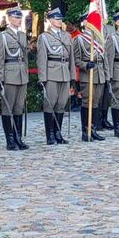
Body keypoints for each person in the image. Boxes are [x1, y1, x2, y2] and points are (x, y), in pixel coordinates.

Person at [37, 9, 76, 144]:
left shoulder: (67, 36)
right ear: (50, 20)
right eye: (56, 19)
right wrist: (42, 78)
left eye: (60, 19)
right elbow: (42, 59)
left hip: (65, 73)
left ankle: (58, 133)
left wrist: (72, 76)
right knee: (50, 104)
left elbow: (71, 58)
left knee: (61, 104)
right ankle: (50, 135)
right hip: (51, 74)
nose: (59, 21)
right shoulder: (44, 37)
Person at [0, 8, 30, 150]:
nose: (18, 20)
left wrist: (26, 73)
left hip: (21, 75)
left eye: (20, 18)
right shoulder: (2, 36)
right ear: (9, 19)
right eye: (15, 17)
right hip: (9, 75)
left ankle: (18, 137)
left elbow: (25, 57)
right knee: (8, 108)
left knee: (18, 107)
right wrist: (0, 77)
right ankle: (10, 140)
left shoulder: (22, 35)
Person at [73, 14, 105, 143]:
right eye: (88, 21)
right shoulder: (79, 39)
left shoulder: (98, 39)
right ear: (84, 24)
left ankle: (93, 129)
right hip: (88, 74)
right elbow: (76, 59)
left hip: (99, 74)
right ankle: (85, 131)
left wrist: (107, 74)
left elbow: (104, 59)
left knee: (96, 102)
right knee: (87, 102)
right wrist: (85, 65)